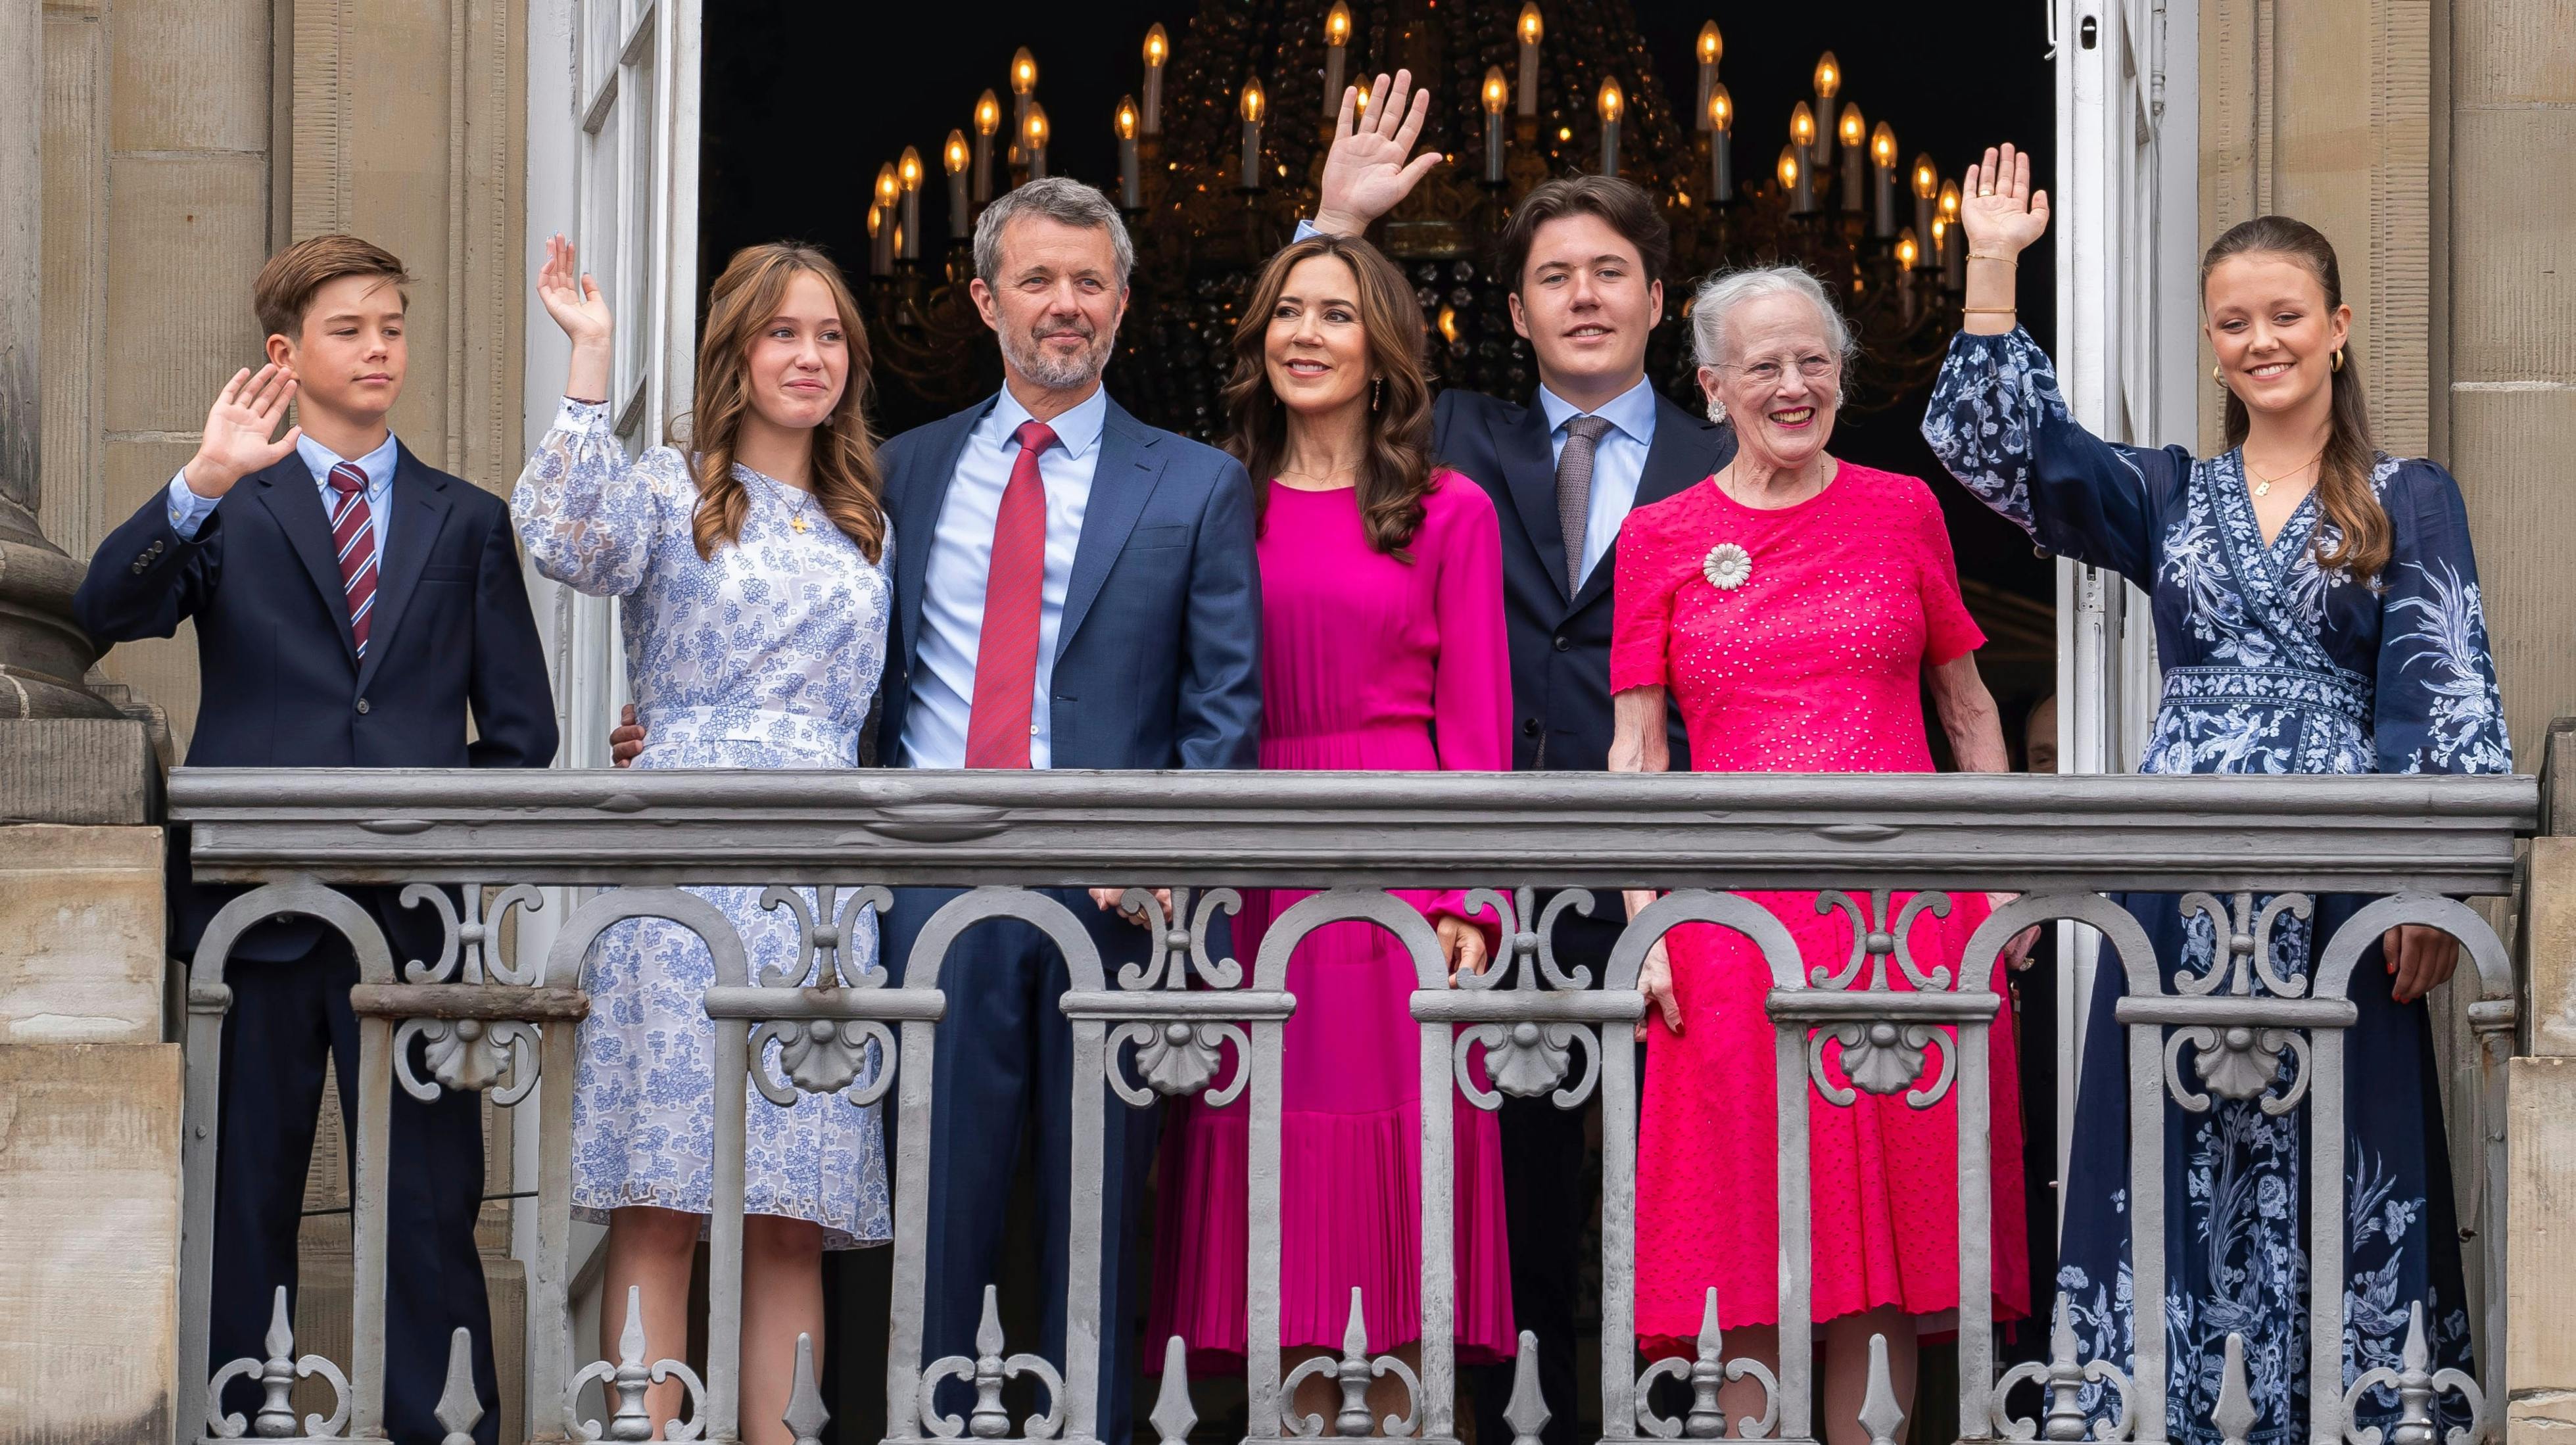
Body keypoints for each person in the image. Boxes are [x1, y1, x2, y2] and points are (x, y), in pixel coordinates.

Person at [611, 178, 1263, 1444]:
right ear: (982, 299)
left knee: (1099, 1217)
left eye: (1088, 281)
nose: (1062, 305)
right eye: (1036, 280)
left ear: (1123, 302)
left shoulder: (1194, 484)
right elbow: (820, 654)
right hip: (913, 894)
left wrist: (1165, 859)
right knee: (919, 1206)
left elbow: (1221, 703)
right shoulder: (890, 475)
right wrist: (678, 728)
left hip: (1112, 899)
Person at [1926, 145, 2510, 1444]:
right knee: (2171, 1155)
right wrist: (1994, 265)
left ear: (2339, 327)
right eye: (2234, 322)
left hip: (2339, 889)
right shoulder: (2166, 492)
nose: (2262, 341)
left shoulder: (2407, 496)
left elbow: (2445, 683)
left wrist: (2426, 876)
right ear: (2209, 338)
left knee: (2342, 1152)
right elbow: (1991, 449)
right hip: (2178, 883)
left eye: (2286, 315)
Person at [1303, 72, 1732, 1442]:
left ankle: (1682, 1414)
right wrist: (1336, 225)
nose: (1587, 297)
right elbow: (1306, 402)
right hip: (1497, 864)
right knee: (1519, 1167)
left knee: (1689, 1167)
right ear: (1516, 312)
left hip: (1680, 868)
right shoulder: (1452, 443)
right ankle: (1534, 1419)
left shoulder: (1731, 460)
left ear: (1662, 299)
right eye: (1556, 277)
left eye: (1613, 272)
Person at [74, 233, 558, 1445]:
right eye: (351, 329)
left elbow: (522, 736)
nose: (381, 346)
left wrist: (440, 852)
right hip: (252, 915)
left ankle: (443, 1431)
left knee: (434, 1204)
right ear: (287, 354)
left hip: (412, 925)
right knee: (246, 1200)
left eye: (392, 325)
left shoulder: (466, 519)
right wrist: (201, 480)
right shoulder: (233, 506)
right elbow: (99, 613)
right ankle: (249, 1424)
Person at [1610, 264, 2032, 1445]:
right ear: (1709, 386)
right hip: (1730, 930)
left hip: (1901, 922)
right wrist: (1642, 915)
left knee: (1884, 1243)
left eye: (1814, 361)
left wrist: (1997, 884)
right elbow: (1636, 746)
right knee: (1747, 1233)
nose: (1792, 386)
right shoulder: (1662, 538)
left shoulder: (1902, 507)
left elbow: (1968, 712)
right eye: (1762, 366)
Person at [517, 237, 894, 1444]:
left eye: (829, 335)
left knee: (795, 1208)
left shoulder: (862, 517)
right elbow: (563, 538)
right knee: (659, 1192)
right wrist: (589, 361)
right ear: (735, 351)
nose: (809, 357)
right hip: (681, 863)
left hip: (820, 879)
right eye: (783, 333)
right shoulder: (669, 487)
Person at [1145, 232, 1515, 1399]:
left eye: (1336, 315)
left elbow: (1479, 724)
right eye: (1286, 313)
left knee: (1398, 1194)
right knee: (1271, 1206)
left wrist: (1472, 898)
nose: (1306, 334)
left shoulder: (1449, 508)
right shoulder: (1214, 494)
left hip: (1399, 868)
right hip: (1249, 879)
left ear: (1384, 347)